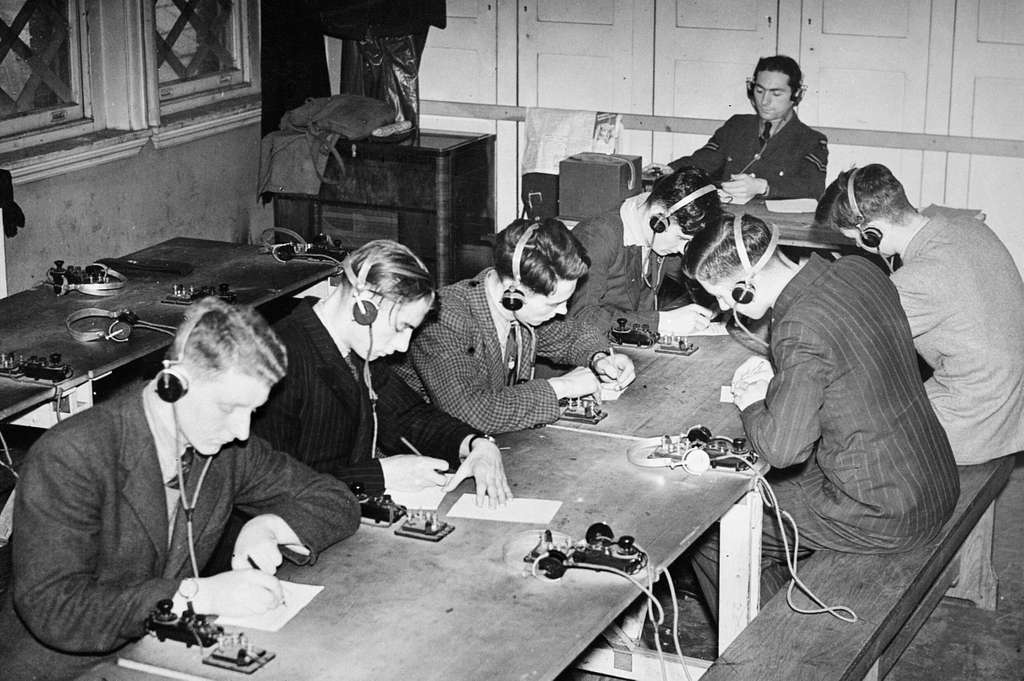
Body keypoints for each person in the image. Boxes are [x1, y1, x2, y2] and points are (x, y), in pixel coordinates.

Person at [0, 298, 360, 681]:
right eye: (229, 408)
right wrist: (197, 596)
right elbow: (57, 609)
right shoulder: (72, 454)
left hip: (161, 654)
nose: (242, 431)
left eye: (252, 412)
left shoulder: (227, 450)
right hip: (64, 669)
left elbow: (336, 500)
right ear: (174, 385)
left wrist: (271, 526)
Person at [682, 212, 959, 614]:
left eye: (724, 296)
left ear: (746, 287)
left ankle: (770, 652)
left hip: (883, 510)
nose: (723, 306)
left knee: (714, 533)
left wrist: (753, 403)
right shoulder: (858, 269)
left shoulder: (798, 327)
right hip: (932, 477)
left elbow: (783, 450)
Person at [252, 239, 511, 506]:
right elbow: (274, 485)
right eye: (400, 327)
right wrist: (380, 475)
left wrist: (474, 444)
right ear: (363, 306)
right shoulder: (278, 360)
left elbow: (407, 416)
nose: (402, 346)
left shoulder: (361, 349)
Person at [815, 164, 1024, 464]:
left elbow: (845, 350)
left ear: (873, 233)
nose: (861, 248)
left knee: (839, 434)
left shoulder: (919, 279)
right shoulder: (969, 227)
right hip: (1010, 405)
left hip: (974, 422)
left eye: (858, 240)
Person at [396, 218, 636, 433]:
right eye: (554, 303)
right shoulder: (444, 319)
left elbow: (573, 334)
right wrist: (560, 387)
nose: (562, 311)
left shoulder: (518, 312)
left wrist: (600, 357)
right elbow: (472, 412)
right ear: (514, 293)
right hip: (424, 460)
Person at [647, 55, 828, 204]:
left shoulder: (812, 141)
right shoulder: (736, 126)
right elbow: (704, 160)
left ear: (796, 95)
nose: (765, 101)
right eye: (759, 90)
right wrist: (671, 170)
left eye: (776, 93)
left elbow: (813, 188)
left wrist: (763, 187)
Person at [567, 166, 722, 335]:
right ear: (658, 218)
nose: (682, 251)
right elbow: (580, 319)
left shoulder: (658, 234)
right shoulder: (597, 237)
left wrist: (723, 290)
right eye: (681, 239)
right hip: (596, 351)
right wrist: (663, 322)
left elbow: (697, 273)